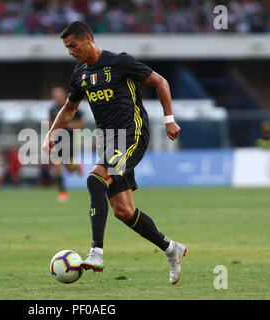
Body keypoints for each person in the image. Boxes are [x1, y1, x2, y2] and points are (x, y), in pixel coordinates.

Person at [42, 21, 187, 285]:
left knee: (93, 179)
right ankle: (171, 249)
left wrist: (169, 119)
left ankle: (96, 251)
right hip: (109, 141)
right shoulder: (80, 75)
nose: (70, 52)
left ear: (88, 39)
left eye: (73, 46)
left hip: (133, 133)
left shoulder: (119, 62)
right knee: (123, 210)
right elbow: (69, 109)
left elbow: (160, 82)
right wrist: (51, 132)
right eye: (66, 48)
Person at [48, 86, 85, 202]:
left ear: (63, 94)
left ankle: (75, 166)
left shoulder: (72, 106)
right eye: (54, 93)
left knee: (65, 166)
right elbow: (50, 122)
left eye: (58, 93)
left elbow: (82, 122)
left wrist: (71, 125)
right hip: (57, 139)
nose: (56, 95)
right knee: (58, 166)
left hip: (70, 139)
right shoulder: (52, 109)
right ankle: (62, 192)